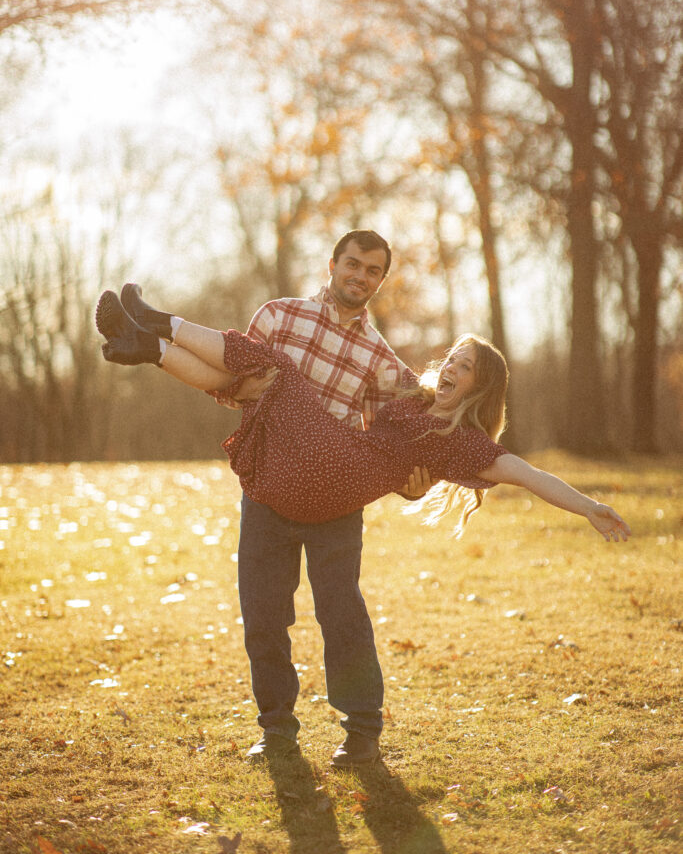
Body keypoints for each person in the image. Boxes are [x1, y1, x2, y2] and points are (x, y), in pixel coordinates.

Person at [96, 273, 631, 762]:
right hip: (321, 471)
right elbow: (369, 372)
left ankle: (158, 331)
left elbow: (530, 474)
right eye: (453, 358)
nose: (452, 368)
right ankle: (152, 343)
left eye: (466, 367)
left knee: (273, 370)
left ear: (481, 388)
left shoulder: (464, 444)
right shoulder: (409, 393)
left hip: (337, 479)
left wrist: (588, 507)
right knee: (257, 377)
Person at [98, 231, 437, 769]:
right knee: (263, 616)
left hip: (334, 503)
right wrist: (250, 388)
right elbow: (231, 378)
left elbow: (398, 436)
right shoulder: (279, 316)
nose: (360, 276)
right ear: (332, 264)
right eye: (353, 263)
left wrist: (415, 485)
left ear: (380, 281)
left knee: (341, 614)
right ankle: (277, 730)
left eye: (373, 270)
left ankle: (362, 734)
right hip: (268, 488)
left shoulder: (382, 360)